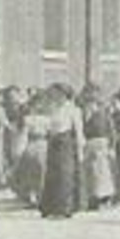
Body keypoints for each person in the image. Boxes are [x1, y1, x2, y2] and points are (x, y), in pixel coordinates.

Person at [39, 86, 84, 218]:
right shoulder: (53, 109)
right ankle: (51, 208)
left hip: (66, 144)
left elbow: (78, 130)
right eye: (54, 94)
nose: (56, 97)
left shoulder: (73, 110)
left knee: (65, 175)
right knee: (52, 175)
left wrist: (80, 149)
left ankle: (65, 208)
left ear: (65, 95)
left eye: (59, 94)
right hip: (53, 143)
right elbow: (49, 126)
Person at [10, 94, 52, 207]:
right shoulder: (28, 119)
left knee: (43, 171)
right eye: (35, 105)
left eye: (40, 104)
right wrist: (20, 149)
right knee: (30, 171)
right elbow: (24, 134)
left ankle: (42, 197)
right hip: (32, 144)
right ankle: (31, 196)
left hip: (44, 144)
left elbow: (50, 134)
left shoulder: (48, 119)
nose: (38, 107)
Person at [81, 89, 117, 209]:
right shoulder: (84, 116)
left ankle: (104, 199)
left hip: (101, 145)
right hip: (89, 146)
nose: (90, 106)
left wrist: (111, 147)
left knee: (102, 174)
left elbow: (111, 132)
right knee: (90, 174)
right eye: (88, 104)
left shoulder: (103, 115)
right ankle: (93, 198)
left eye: (92, 103)